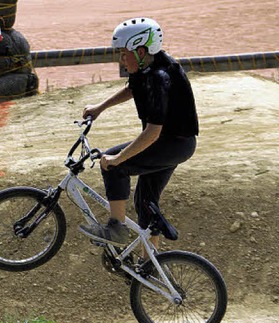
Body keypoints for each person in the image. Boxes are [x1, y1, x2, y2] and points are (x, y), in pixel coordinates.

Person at [80, 17, 199, 251]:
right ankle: (149, 263)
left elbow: (152, 133)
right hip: (176, 144)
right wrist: (100, 108)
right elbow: (132, 88)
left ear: (142, 50)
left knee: (113, 163)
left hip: (172, 144)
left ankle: (117, 227)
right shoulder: (148, 67)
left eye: (125, 53)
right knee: (146, 202)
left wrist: (118, 159)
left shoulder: (159, 78)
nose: (121, 59)